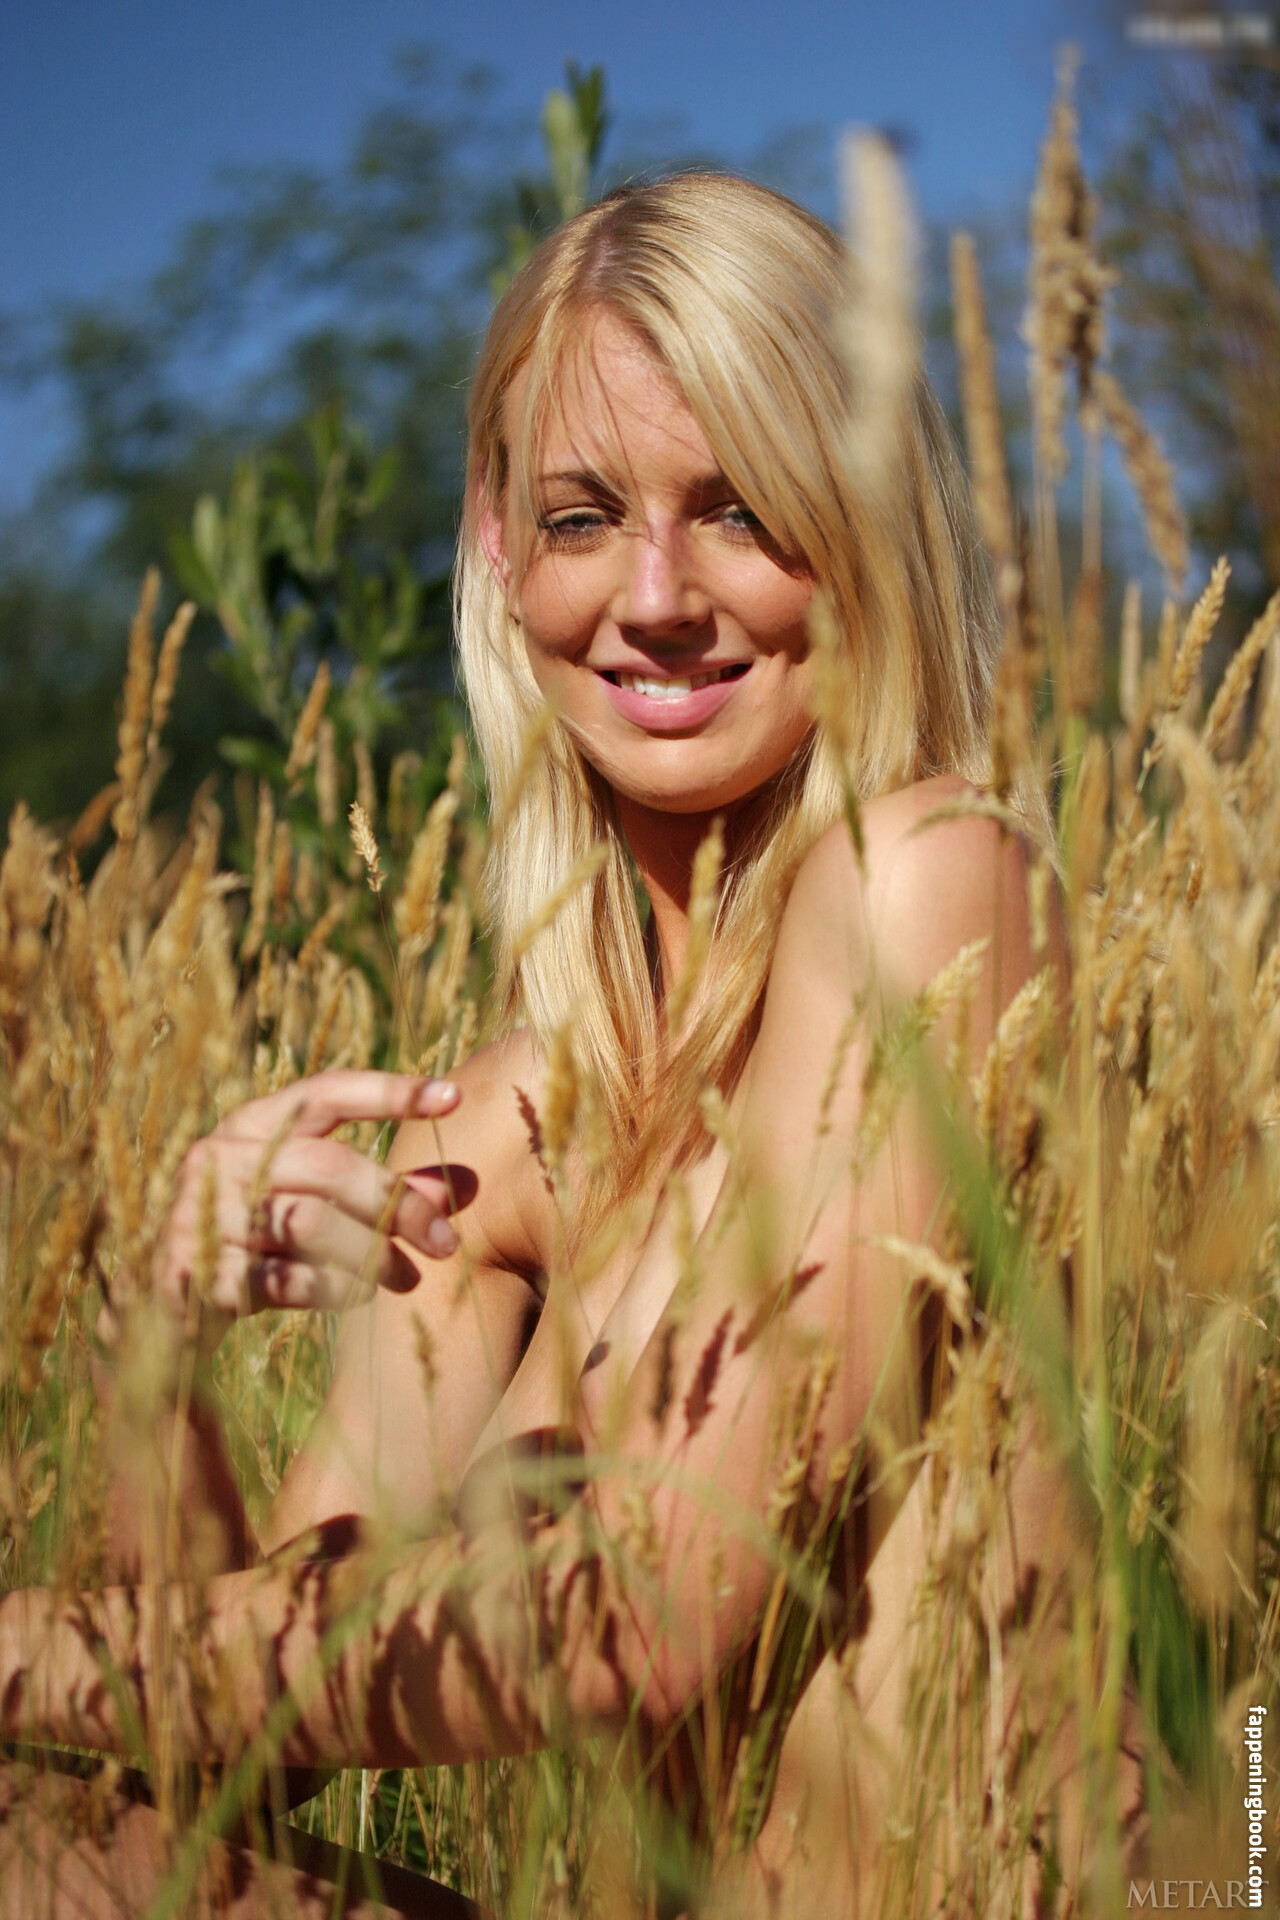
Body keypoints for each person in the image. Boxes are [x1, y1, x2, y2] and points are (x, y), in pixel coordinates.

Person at [0, 171, 1140, 1917]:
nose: (658, 595)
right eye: (586, 516)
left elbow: (645, 1610)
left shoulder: (935, 883)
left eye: (743, 509)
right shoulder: (496, 1132)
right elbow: (226, 1745)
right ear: (498, 546)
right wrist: (152, 1343)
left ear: (868, 525)